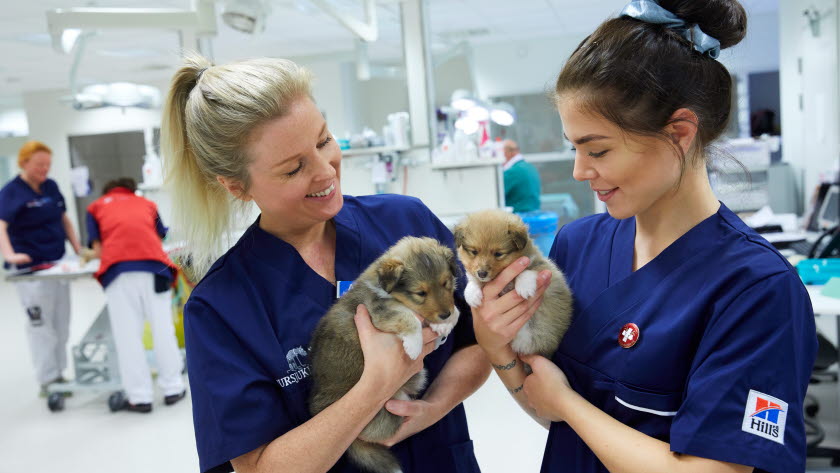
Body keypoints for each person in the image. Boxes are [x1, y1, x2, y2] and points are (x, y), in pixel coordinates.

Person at [471, 1, 817, 472]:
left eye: (598, 150)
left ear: (679, 133)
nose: (579, 171)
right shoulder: (578, 246)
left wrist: (569, 403)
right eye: (574, 149)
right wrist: (496, 347)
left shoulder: (755, 289)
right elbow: (547, 408)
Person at [161, 55, 491, 473]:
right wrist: (375, 386)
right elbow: (258, 467)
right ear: (236, 186)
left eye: (323, 141)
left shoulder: (405, 224)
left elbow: (478, 338)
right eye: (293, 168)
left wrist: (429, 410)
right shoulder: (222, 307)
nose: (325, 172)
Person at [84, 177, 185, 413]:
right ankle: (173, 388)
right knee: (163, 330)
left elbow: (98, 250)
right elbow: (161, 236)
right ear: (132, 190)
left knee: (128, 336)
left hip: (119, 272)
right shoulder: (147, 204)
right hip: (155, 270)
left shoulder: (95, 207)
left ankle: (140, 398)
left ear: (107, 192)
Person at [0, 140, 82, 396]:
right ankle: (47, 380)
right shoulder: (12, 191)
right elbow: (1, 225)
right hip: (30, 270)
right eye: (39, 164)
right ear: (24, 163)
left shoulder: (50, 186)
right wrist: (10, 255)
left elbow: (64, 219)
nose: (45, 169)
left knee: (61, 323)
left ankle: (59, 374)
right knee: (41, 326)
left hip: (57, 264)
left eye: (48, 164)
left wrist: (79, 250)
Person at [502, 139, 541, 213]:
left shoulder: (513, 171)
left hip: (519, 213)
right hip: (533, 211)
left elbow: (497, 195)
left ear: (508, 153)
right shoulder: (529, 167)